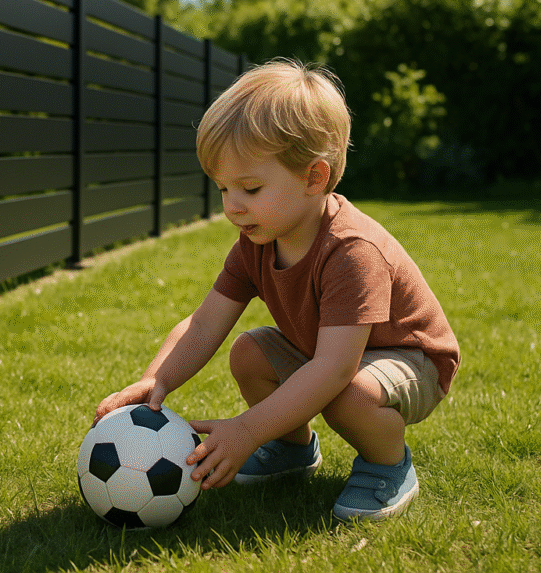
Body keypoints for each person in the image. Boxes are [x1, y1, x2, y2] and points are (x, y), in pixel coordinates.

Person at [93, 58, 460, 522]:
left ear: (314, 178)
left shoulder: (352, 251)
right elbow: (206, 322)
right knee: (249, 352)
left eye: (249, 187)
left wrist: (247, 430)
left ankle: (388, 465)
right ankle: (293, 449)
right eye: (223, 188)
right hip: (332, 354)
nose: (232, 206)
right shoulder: (255, 243)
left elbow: (333, 369)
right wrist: (156, 380)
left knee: (349, 396)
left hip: (410, 359)